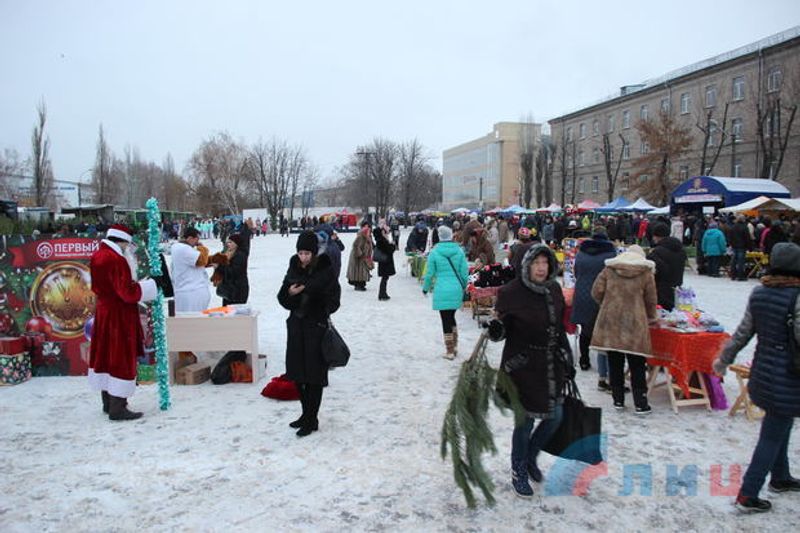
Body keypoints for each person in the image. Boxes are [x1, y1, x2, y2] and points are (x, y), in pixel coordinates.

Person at [712, 242, 800, 513]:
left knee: (779, 422)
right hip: (789, 376)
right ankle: (748, 494)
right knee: (773, 432)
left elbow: (743, 333)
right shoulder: (796, 297)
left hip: (764, 372)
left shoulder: (760, 293)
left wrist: (724, 360)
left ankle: (780, 476)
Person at [490, 244, 574, 498]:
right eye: (536, 263)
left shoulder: (553, 289)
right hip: (523, 367)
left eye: (545, 262)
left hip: (550, 364)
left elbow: (558, 328)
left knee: (556, 416)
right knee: (525, 422)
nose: (541, 268)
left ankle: (530, 457)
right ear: (526, 265)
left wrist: (566, 357)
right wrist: (496, 329)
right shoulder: (511, 292)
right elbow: (502, 328)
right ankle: (518, 469)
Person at [87, 224, 157, 421]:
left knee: (106, 356)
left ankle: (108, 403)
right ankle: (118, 407)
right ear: (123, 241)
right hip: (119, 316)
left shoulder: (99, 255)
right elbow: (127, 293)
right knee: (120, 356)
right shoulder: (116, 259)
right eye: (128, 244)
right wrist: (150, 287)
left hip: (104, 312)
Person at [277, 231, 341, 437]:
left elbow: (334, 301)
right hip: (296, 326)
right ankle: (305, 414)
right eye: (300, 253)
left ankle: (312, 418)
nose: (303, 257)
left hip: (316, 328)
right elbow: (282, 297)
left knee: (314, 376)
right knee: (297, 374)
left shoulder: (325, 270)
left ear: (314, 253)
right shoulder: (293, 268)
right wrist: (291, 293)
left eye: (307, 253)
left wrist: (313, 296)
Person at [590, 244, 657, 414]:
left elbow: (596, 291)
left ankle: (618, 400)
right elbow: (651, 300)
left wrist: (607, 304)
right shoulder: (646, 273)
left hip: (612, 321)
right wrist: (651, 317)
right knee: (637, 364)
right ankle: (641, 403)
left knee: (615, 362)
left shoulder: (609, 269)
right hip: (636, 322)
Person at [571, 226, 617, 379]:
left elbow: (576, 271)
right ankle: (603, 366)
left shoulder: (581, 252)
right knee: (603, 328)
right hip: (602, 295)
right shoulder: (611, 253)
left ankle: (584, 360)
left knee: (585, 328)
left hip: (582, 292)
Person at [422, 225, 469, 359]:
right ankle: (455, 345)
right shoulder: (459, 251)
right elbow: (464, 272)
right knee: (451, 316)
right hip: (456, 289)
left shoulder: (435, 252)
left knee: (445, 319)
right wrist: (464, 285)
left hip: (441, 289)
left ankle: (450, 351)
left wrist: (425, 288)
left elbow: (429, 273)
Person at [171, 227, 225, 312]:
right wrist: (202, 248)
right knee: (192, 317)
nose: (198, 242)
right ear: (190, 238)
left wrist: (214, 259)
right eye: (197, 239)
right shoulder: (183, 248)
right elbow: (201, 260)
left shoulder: (184, 248)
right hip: (190, 292)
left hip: (192, 290)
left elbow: (198, 262)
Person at [648, 222, 687, 310]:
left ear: (657, 236)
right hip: (677, 291)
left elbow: (654, 273)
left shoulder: (656, 252)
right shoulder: (681, 250)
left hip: (661, 293)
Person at [213, 233, 249, 305]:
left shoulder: (240, 255)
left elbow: (234, 272)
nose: (228, 244)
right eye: (228, 242)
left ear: (236, 244)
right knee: (226, 310)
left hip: (238, 290)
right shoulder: (228, 253)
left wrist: (219, 267)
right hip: (229, 289)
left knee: (234, 310)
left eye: (230, 242)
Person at [373, 220, 396, 301]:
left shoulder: (382, 239)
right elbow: (388, 249)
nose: (387, 233)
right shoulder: (381, 240)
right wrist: (393, 245)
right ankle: (382, 294)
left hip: (384, 261)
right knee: (384, 278)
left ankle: (383, 293)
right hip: (385, 261)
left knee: (385, 278)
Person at [346, 223, 373, 291]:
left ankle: (362, 284)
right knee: (358, 271)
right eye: (368, 231)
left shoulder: (368, 238)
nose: (369, 233)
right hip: (357, 257)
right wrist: (360, 254)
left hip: (364, 257)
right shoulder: (361, 237)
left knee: (363, 270)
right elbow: (355, 245)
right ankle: (358, 285)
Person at [728, 215, 752, 281]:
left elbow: (730, 237)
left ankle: (733, 275)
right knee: (741, 262)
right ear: (743, 219)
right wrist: (750, 247)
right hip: (742, 246)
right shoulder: (744, 227)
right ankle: (740, 276)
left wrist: (731, 244)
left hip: (734, 246)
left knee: (733, 261)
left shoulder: (733, 227)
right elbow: (747, 238)